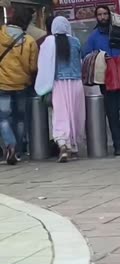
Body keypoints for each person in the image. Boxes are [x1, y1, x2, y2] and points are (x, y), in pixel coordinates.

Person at [83, 5, 120, 156]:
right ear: (96, 17)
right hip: (105, 79)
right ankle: (118, 145)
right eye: (100, 14)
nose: (103, 17)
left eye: (105, 14)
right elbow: (86, 55)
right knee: (112, 113)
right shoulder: (93, 37)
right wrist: (99, 57)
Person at [35, 16, 85, 162]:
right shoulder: (75, 41)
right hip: (76, 83)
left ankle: (63, 144)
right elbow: (80, 61)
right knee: (75, 114)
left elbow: (43, 63)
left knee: (60, 114)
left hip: (58, 83)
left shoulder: (49, 41)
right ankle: (74, 147)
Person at [0, 6, 38, 165]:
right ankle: (19, 152)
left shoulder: (0, 34)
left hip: (2, 83)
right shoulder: (29, 41)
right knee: (20, 118)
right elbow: (33, 67)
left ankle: (10, 145)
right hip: (22, 84)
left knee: (3, 117)